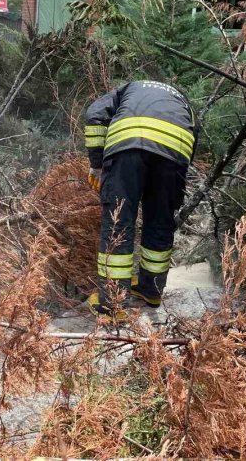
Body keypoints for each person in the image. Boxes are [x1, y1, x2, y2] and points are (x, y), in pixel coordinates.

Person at [84, 80, 196, 320]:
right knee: (160, 221)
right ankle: (151, 290)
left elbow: (95, 115)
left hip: (128, 147)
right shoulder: (182, 100)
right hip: (174, 153)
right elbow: (193, 134)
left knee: (119, 221)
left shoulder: (127, 89)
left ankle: (113, 304)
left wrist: (97, 166)